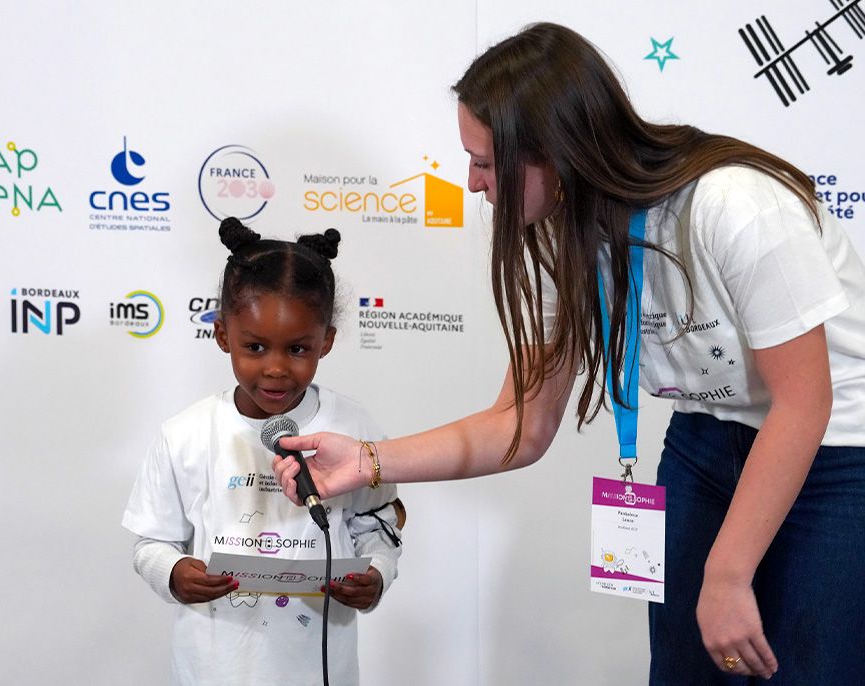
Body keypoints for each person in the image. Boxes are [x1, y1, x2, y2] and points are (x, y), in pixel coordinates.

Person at [272, 22, 865, 685]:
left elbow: (804, 401)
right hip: (706, 440)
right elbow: (517, 426)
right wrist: (364, 462)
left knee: (808, 666)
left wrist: (726, 575)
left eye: (485, 162)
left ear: (556, 153)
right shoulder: (562, 240)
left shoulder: (735, 205)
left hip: (835, 448)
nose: (472, 184)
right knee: (685, 669)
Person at [122, 218, 404, 686]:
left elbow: (380, 523)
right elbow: (151, 542)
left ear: (326, 343)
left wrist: (376, 574)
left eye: (297, 349)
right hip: (215, 669)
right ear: (222, 335)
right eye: (254, 347)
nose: (275, 368)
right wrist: (172, 572)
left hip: (318, 668)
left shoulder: (353, 427)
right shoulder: (186, 433)